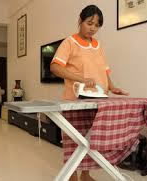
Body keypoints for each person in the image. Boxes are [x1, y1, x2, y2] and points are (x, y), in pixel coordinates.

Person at [50, 5, 129, 181]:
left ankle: (86, 174)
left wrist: (112, 86)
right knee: (73, 139)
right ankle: (72, 175)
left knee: (91, 139)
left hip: (97, 100)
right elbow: (55, 67)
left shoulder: (98, 45)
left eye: (97, 25)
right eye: (89, 22)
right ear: (80, 21)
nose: (93, 28)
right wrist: (80, 78)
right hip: (75, 100)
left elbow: (104, 70)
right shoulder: (70, 42)